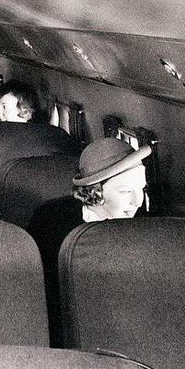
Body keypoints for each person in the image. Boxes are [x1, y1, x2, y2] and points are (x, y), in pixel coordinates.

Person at [28, 135, 151, 339]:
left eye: (142, 189)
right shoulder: (49, 224)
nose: (138, 201)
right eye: (126, 191)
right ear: (96, 192)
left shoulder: (146, 226)